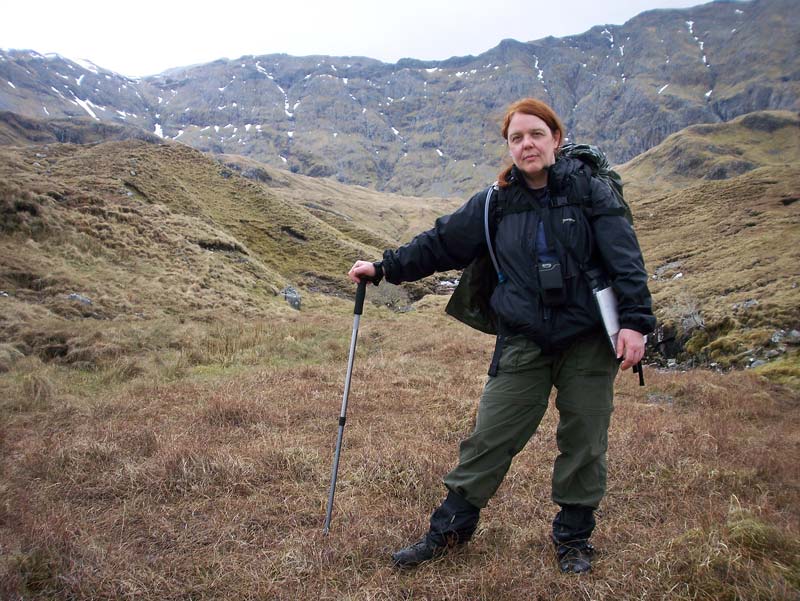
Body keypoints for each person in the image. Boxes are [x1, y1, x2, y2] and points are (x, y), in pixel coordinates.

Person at [347, 97, 655, 574]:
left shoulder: (592, 191)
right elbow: (442, 242)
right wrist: (385, 267)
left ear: (556, 138)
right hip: (523, 339)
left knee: (585, 440)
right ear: (508, 146)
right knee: (489, 437)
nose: (526, 144)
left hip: (589, 339)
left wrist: (635, 323)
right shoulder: (496, 200)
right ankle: (447, 533)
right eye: (516, 138)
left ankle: (573, 541)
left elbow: (625, 258)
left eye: (535, 134)